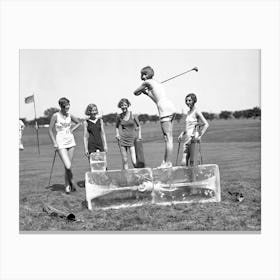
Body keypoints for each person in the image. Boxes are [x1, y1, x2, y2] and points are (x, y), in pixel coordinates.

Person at [133, 66, 176, 168]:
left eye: (142, 74)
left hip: (164, 109)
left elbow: (135, 92)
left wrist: (142, 90)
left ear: (145, 75)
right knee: (169, 138)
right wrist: (147, 93)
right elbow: (156, 99)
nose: (141, 76)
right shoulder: (157, 83)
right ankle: (166, 162)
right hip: (170, 106)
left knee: (167, 138)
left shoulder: (146, 83)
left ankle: (167, 163)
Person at [48, 97, 81, 194]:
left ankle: (68, 184)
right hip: (60, 143)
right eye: (66, 107)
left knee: (68, 166)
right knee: (67, 165)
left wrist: (73, 129)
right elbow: (50, 130)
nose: (67, 109)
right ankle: (69, 184)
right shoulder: (55, 116)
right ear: (61, 106)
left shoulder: (70, 115)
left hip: (71, 142)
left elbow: (79, 122)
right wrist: (54, 142)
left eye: (68, 106)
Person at [178, 93, 209, 166]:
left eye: (189, 100)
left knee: (193, 162)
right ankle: (187, 177)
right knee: (183, 162)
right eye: (186, 100)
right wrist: (182, 134)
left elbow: (206, 124)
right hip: (186, 139)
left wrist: (200, 136)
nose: (187, 102)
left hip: (193, 139)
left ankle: (192, 177)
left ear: (194, 101)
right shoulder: (188, 112)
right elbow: (188, 127)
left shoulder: (196, 111)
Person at [115, 98, 141, 169]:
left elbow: (139, 125)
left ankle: (139, 175)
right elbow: (117, 127)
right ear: (120, 106)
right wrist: (117, 134)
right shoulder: (119, 116)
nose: (123, 107)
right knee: (125, 160)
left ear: (128, 105)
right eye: (122, 105)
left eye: (125, 105)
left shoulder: (133, 115)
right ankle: (127, 178)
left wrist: (139, 135)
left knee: (134, 161)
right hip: (122, 140)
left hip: (132, 139)